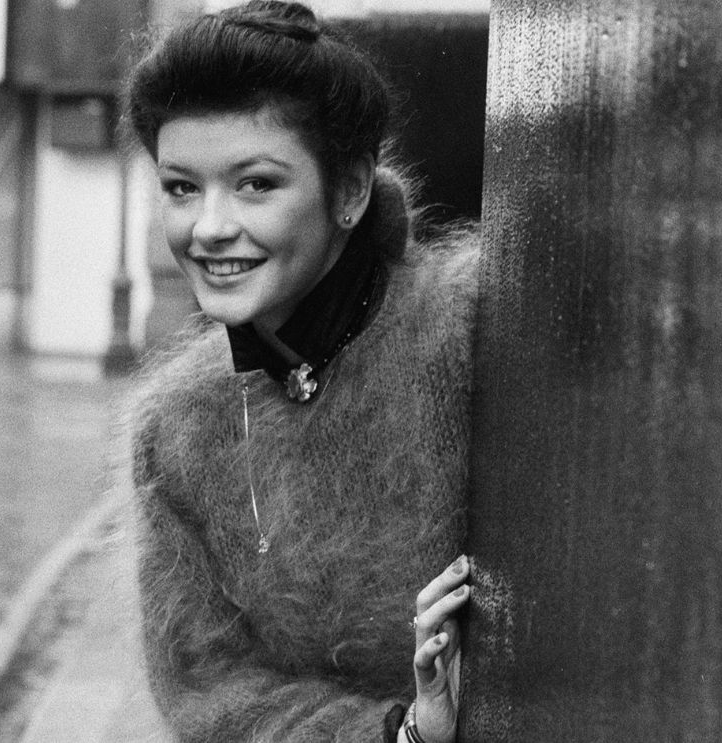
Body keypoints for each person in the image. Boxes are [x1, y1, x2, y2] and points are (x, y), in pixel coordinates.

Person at [125, 2, 478, 741]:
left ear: (348, 190)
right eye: (181, 187)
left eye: (255, 183)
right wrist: (400, 733)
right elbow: (206, 692)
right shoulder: (175, 426)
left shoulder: (472, 332)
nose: (209, 227)